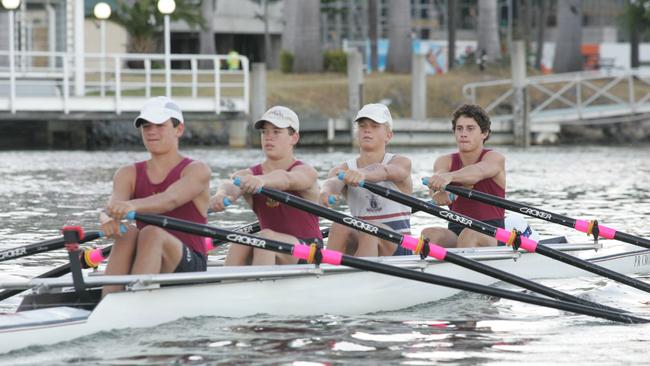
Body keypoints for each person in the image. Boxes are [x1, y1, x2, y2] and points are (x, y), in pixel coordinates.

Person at [100, 96, 211, 296]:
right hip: (147, 257)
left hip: (189, 265)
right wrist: (108, 219)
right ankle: (106, 302)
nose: (151, 131)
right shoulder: (127, 173)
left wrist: (131, 206)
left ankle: (135, 304)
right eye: (146, 126)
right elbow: (112, 207)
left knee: (152, 232)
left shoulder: (197, 170)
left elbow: (170, 200)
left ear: (179, 129)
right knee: (126, 231)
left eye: (160, 125)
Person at [211, 106, 322, 266]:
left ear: (294, 138)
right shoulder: (250, 174)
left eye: (276, 131)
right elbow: (231, 184)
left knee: (266, 237)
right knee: (239, 238)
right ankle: (226, 285)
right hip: (268, 246)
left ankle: (260, 286)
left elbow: (286, 179)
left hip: (309, 250)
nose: (268, 137)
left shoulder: (306, 172)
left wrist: (262, 181)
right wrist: (221, 195)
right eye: (264, 132)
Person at [320, 103, 412, 257]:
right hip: (364, 236)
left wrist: (363, 173)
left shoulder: (401, 162)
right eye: (362, 126)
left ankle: (360, 275)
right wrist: (326, 191)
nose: (367, 130)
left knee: (369, 228)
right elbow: (333, 181)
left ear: (388, 135)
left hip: (400, 247)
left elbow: (384, 171)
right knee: (339, 225)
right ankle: (326, 273)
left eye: (375, 126)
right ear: (357, 133)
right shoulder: (344, 168)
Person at [421, 104, 505, 248]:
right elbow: (438, 177)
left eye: (470, 129)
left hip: (492, 232)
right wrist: (438, 192)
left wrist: (450, 178)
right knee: (429, 234)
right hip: (456, 229)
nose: (463, 133)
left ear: (484, 133)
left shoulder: (494, 158)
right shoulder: (444, 161)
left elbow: (477, 172)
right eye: (459, 129)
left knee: (469, 234)